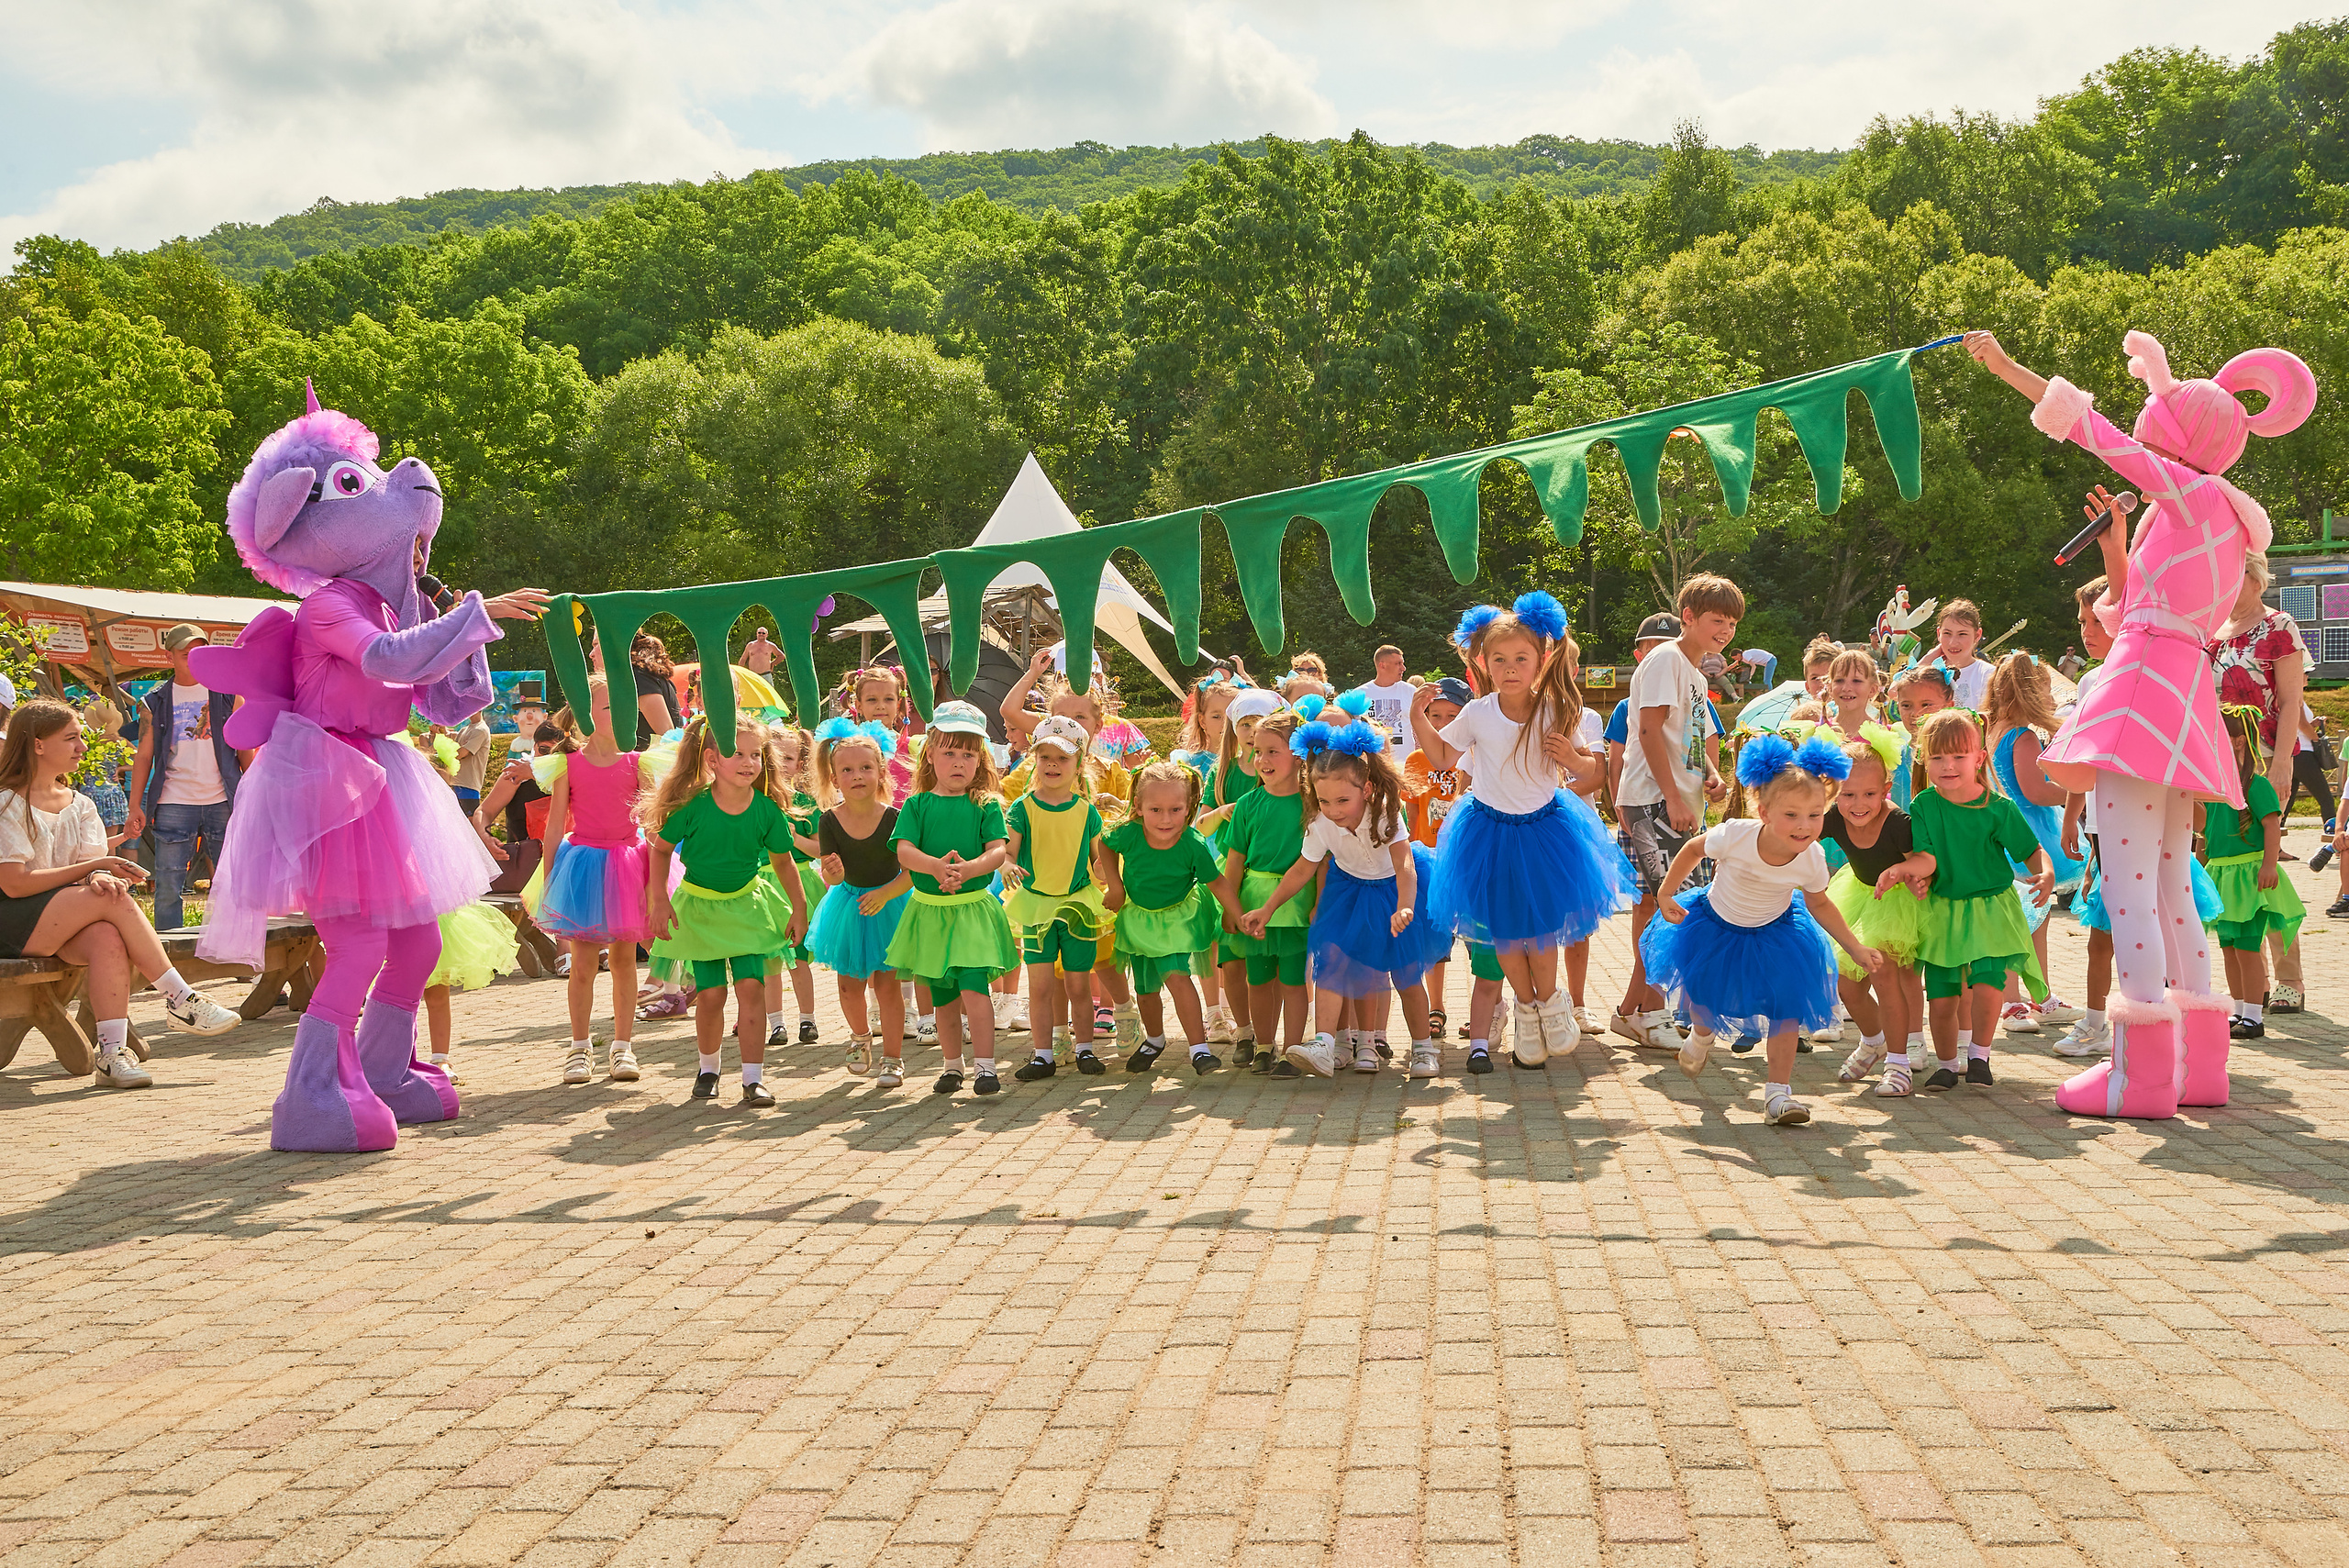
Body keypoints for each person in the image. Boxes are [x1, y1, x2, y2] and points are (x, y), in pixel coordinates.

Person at [1969, 326, 2314, 1118]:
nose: (2145, 426)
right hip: (2179, 685)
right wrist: (2123, 543)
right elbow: (2136, 605)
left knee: (2129, 888)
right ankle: (2198, 1068)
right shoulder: (2218, 520)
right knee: (2166, 886)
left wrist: (2008, 368)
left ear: (2181, 436)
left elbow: (2095, 431)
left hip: (2143, 688)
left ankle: (2142, 1073)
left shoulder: (2189, 496)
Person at [1419, 591, 1629, 1070]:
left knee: (1542, 930)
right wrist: (1417, 718)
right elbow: (1444, 759)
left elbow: (1592, 775)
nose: (1511, 667)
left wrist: (1573, 759)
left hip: (1545, 832)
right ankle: (1526, 1011)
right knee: (1507, 933)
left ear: (1542, 659)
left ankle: (1552, 1005)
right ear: (1483, 663)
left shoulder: (1556, 709)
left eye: (1521, 658)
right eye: (1500, 659)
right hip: (1487, 833)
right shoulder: (1477, 712)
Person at [1643, 735, 1884, 1125]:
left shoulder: (1812, 857)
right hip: (1716, 928)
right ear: (1765, 811)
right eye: (1791, 815)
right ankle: (1701, 1035)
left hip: (1778, 935)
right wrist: (1666, 894)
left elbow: (1820, 903)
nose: (1804, 826)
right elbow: (1692, 850)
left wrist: (1854, 947)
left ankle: (1778, 1095)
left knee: (1786, 1010)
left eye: (1814, 815)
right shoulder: (1736, 834)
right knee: (1706, 1000)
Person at [0, 700, 241, 1088]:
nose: (82, 746)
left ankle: (111, 1055)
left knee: (106, 937)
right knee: (107, 899)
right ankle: (181, 999)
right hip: (10, 922)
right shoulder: (6, 803)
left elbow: (89, 867)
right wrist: (92, 873)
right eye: (71, 738)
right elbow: (14, 883)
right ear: (38, 745)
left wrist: (100, 875)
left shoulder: (79, 804)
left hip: (59, 920)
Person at [1244, 706, 1449, 1079]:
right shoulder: (1320, 823)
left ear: (1366, 789)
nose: (1333, 810)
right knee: (1332, 961)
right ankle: (1324, 1043)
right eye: (1324, 801)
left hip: (1393, 893)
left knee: (1406, 977)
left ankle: (1423, 1049)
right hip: (1348, 894)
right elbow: (1302, 869)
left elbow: (1405, 863)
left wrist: (1405, 906)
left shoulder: (1384, 811)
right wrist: (1268, 908)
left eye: (1342, 801)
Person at [1878, 709, 2054, 1089]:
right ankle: (1946, 1064)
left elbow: (2032, 850)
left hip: (1992, 909)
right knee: (1941, 1001)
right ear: (1924, 759)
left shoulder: (1998, 808)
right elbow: (1925, 857)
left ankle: (1979, 1057)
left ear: (1979, 757)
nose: (1948, 765)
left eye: (1959, 756)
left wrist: (2047, 872)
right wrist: (1906, 873)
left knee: (1987, 989)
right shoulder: (1925, 805)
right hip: (1942, 912)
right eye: (1938, 757)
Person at [645, 715, 809, 1108]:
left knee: (752, 988)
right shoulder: (693, 806)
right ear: (712, 759)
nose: (748, 762)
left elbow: (784, 862)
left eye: (756, 754)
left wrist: (799, 908)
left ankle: (753, 1079)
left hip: (747, 908)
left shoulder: (767, 811)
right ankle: (708, 1071)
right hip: (700, 911)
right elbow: (661, 849)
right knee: (713, 995)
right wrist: (659, 900)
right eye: (738, 753)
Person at [1610, 579, 1742, 1051]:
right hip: (1652, 803)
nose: (1725, 630)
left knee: (1668, 906)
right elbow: (1646, 730)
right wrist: (1672, 796)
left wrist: (1709, 774)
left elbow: (1686, 739)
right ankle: (1651, 1012)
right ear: (1688, 615)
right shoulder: (1665, 659)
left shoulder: (1696, 673)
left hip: (1681, 804)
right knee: (1670, 908)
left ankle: (1633, 1012)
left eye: (1730, 623)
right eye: (1716, 620)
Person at [885, 700, 1018, 1095]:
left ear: (981, 761)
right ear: (930, 757)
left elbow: (998, 850)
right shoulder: (916, 804)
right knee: (942, 996)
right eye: (949, 753)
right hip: (930, 912)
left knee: (974, 988)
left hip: (972, 911)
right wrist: (935, 867)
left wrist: (968, 870)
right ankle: (951, 1065)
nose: (959, 762)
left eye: (968, 754)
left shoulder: (986, 804)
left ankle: (986, 1067)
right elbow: (903, 850)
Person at [536, 676, 655, 1085]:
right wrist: (551, 878)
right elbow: (554, 827)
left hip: (627, 864)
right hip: (583, 866)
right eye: (608, 708)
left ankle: (623, 1047)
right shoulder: (567, 764)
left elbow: (653, 825)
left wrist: (657, 881)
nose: (619, 715)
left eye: (624, 707)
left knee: (624, 959)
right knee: (583, 963)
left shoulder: (639, 762)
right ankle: (579, 1047)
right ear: (587, 715)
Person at [2208, 551, 2310, 1013]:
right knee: (2234, 864)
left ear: (2253, 578)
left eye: (2228, 575)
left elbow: (2291, 702)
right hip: (2219, 761)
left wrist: (2284, 764)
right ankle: (2256, 985)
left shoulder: (2279, 627)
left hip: (2265, 758)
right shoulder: (2211, 633)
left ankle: (2289, 980)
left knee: (2263, 864)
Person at [1103, 761, 1240, 1076]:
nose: (1166, 819)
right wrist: (1116, 885)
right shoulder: (1127, 833)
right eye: (1156, 810)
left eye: (1176, 810)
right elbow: (1105, 845)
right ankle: (1154, 1039)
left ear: (1189, 807)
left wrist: (1238, 915)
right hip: (1138, 920)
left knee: (1178, 977)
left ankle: (1199, 1049)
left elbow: (1217, 882)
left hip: (1178, 919)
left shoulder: (1192, 843)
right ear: (1138, 807)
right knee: (1146, 989)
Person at [1981, 652, 2087, 1036]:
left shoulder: (1992, 729)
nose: (2050, 697)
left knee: (2035, 918)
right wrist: (2077, 791)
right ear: (2028, 693)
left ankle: (2040, 995)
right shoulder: (2022, 736)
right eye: (2044, 689)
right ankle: (2010, 1001)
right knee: (2021, 921)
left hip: (2006, 830)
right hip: (2027, 832)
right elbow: (2035, 792)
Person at [1002, 717, 1112, 1082]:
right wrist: (1006, 865)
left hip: (1077, 906)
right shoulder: (1023, 807)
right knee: (1041, 987)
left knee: (1079, 984)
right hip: (1036, 905)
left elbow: (1098, 858)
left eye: (1062, 759)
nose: (1052, 765)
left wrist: (1104, 872)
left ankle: (1084, 1049)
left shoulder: (1086, 811)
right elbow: (1009, 852)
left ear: (1078, 764)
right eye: (1045, 756)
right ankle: (1043, 1055)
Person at [1819, 729, 1926, 1094]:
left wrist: (1912, 876)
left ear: (1886, 788)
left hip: (1898, 904)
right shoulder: (1833, 816)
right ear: (1833, 791)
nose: (1858, 804)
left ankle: (1898, 1064)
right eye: (1847, 794)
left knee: (1885, 978)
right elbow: (1795, 835)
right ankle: (1873, 1040)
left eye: (1869, 794)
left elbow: (1924, 861)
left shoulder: (1898, 824)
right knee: (1846, 987)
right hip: (1859, 895)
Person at [807, 718, 913, 1084]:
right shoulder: (829, 821)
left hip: (889, 904)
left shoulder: (895, 819)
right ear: (835, 778)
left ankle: (893, 1058)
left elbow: (911, 872)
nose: (857, 776)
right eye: (847, 770)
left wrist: (886, 894)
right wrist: (834, 873)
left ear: (881, 771)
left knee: (887, 987)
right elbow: (831, 877)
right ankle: (859, 1037)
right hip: (849, 907)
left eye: (866, 768)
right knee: (849, 986)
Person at [125, 625, 247, 932]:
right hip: (173, 800)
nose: (193, 659)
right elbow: (144, 755)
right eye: (185, 654)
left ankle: (232, 949)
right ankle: (169, 963)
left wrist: (253, 793)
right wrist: (135, 805)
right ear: (170, 657)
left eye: (199, 652)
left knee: (234, 883)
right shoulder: (155, 701)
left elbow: (245, 749)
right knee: (168, 886)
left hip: (224, 799)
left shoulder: (229, 694)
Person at [2204, 707, 2306, 1040]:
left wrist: (2268, 864)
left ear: (2240, 740)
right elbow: (2205, 830)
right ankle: (2237, 1010)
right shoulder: (2215, 784)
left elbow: (2272, 823)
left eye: (2227, 735)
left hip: (2248, 875)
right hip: (2220, 874)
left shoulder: (2256, 784)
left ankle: (2253, 1016)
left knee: (2247, 947)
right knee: (2228, 947)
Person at [1401, 677, 1483, 1047]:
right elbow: (1412, 807)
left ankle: (1484, 1010)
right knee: (1436, 938)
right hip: (1430, 859)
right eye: (1436, 716)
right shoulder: (1417, 760)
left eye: (1453, 716)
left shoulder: (1475, 753)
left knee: (1477, 937)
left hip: (1468, 857)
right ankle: (1436, 1008)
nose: (1443, 723)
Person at [1350, 643, 1417, 751]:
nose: (1403, 668)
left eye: (1402, 663)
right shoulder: (1360, 694)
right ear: (1382, 665)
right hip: (1374, 761)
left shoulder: (1410, 691)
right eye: (1398, 664)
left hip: (1405, 761)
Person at [1931, 601, 1993, 711]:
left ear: (1977, 635)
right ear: (1938, 634)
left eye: (1962, 634)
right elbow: (1894, 692)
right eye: (1947, 634)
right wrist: (1927, 658)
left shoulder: (1988, 675)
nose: (1953, 643)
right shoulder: (1928, 672)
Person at [629, 632, 683, 739]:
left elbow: (667, 735)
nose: (591, 654)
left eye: (596, 644)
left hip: (657, 753)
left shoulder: (639, 677)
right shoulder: (644, 675)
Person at [450, 712, 492, 810]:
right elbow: (454, 751)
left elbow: (460, 754)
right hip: (455, 784)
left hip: (468, 786)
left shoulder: (481, 730)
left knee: (470, 823)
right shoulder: (463, 730)